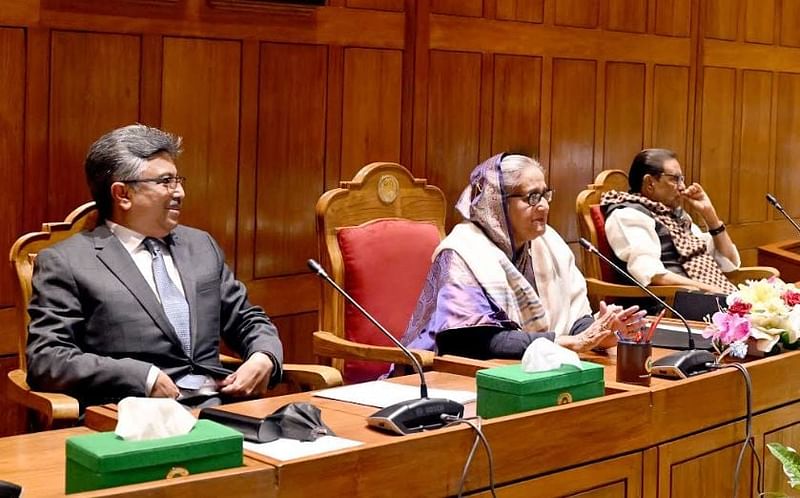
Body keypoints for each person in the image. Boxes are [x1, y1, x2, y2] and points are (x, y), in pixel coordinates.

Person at [26, 124, 283, 408]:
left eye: (178, 180)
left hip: (221, 409)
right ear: (123, 194)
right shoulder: (67, 262)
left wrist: (264, 355)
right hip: (135, 418)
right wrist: (141, 376)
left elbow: (247, 318)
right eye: (165, 182)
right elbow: (47, 357)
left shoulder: (200, 245)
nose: (180, 192)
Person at [401, 153, 646, 359]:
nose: (544, 206)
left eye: (545, 194)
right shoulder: (463, 252)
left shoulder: (549, 243)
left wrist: (600, 331)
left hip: (536, 367)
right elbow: (471, 341)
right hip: (457, 374)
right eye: (532, 197)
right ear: (497, 202)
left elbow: (572, 321)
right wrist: (566, 343)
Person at [601, 148, 739, 295]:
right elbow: (652, 274)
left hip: (703, 297)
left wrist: (711, 217)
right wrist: (707, 289)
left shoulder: (673, 214)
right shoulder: (629, 215)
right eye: (674, 179)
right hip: (667, 305)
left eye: (682, 179)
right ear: (649, 183)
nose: (682, 187)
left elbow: (727, 263)